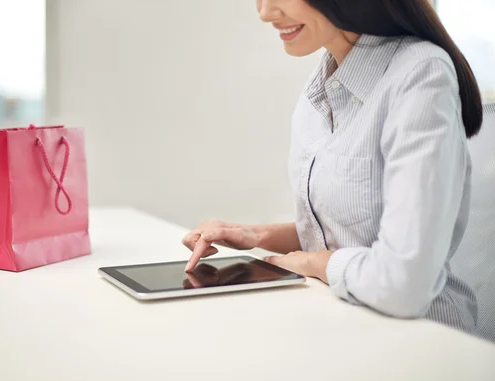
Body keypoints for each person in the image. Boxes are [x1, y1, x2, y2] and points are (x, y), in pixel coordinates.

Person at [182, 0, 483, 334]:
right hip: (340, 322)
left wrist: (314, 263)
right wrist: (255, 235)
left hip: (422, 339)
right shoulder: (325, 80)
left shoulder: (420, 72)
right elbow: (350, 230)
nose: (265, 12)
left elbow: (403, 285)